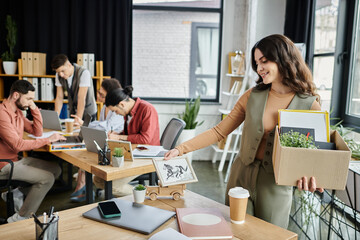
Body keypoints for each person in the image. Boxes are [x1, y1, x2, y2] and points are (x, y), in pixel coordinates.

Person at [164, 34, 324, 229]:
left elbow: (318, 154)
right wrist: (181, 149)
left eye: (264, 61)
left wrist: (315, 176)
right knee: (236, 231)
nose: (259, 69)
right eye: (257, 63)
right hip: (240, 178)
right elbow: (218, 131)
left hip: (275, 185)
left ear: (284, 59)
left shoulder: (310, 105)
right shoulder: (252, 96)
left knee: (269, 235)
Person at [0, 80, 66, 223]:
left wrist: (34, 108)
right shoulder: (2, 114)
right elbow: (17, 145)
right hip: (3, 165)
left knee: (55, 169)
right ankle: (20, 217)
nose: (30, 102)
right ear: (16, 95)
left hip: (15, 161)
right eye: (29, 98)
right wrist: (48, 140)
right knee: (47, 178)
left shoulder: (17, 113)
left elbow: (36, 132)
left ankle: (15, 194)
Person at [91, 86, 160, 197]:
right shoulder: (128, 112)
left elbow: (145, 139)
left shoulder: (148, 109)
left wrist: (119, 138)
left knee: (113, 186)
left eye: (115, 111)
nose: (116, 114)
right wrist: (118, 134)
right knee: (98, 179)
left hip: (146, 157)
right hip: (132, 153)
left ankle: (148, 196)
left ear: (122, 104)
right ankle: (133, 195)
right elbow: (130, 133)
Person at [69, 78, 125, 202]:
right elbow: (101, 125)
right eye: (99, 92)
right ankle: (82, 187)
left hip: (115, 144)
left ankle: (82, 188)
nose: (98, 95)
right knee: (85, 151)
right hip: (105, 140)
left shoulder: (117, 108)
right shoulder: (105, 107)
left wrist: (85, 123)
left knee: (86, 153)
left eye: (101, 94)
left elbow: (106, 127)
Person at [51, 54, 97, 121]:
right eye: (58, 72)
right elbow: (59, 97)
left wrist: (78, 119)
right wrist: (55, 118)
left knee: (86, 131)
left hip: (88, 112)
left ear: (69, 65)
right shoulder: (58, 76)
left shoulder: (84, 73)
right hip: (73, 111)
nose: (61, 74)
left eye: (63, 71)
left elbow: (81, 98)